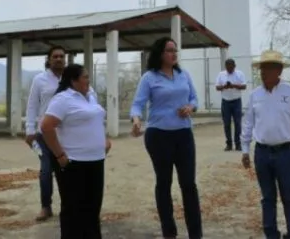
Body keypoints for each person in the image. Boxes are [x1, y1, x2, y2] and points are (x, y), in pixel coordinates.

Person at [129, 36, 203, 239]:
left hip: (184, 135)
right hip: (159, 136)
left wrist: (190, 107)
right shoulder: (149, 78)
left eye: (176, 50)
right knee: (164, 183)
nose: (174, 54)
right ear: (160, 54)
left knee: (189, 184)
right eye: (170, 50)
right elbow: (137, 104)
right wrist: (136, 119)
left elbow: (195, 99)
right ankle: (169, 232)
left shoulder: (183, 75)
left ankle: (196, 233)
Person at [240, 49, 290, 239]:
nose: (263, 72)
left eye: (268, 68)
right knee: (267, 197)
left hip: (284, 153)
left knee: (288, 195)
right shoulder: (255, 95)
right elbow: (248, 124)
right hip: (262, 153)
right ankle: (270, 232)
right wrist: (245, 150)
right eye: (261, 68)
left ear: (279, 70)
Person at [40, 63, 111, 239]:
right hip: (74, 163)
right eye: (85, 77)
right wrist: (60, 155)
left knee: (93, 209)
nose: (88, 80)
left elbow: (96, 119)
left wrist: (104, 139)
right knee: (73, 211)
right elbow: (47, 127)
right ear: (73, 80)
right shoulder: (63, 99)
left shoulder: (90, 96)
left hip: (96, 160)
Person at [24, 45, 66, 221]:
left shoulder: (70, 78)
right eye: (55, 56)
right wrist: (30, 129)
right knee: (46, 171)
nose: (58, 59)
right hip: (44, 133)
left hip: (65, 133)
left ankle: (68, 207)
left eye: (61, 56)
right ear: (48, 60)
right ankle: (45, 206)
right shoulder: (40, 80)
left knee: (66, 172)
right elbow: (32, 105)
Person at [215, 58, 246, 151]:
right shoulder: (221, 74)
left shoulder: (240, 74)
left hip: (236, 101)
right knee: (226, 123)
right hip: (225, 102)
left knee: (237, 123)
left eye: (231, 67)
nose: (229, 69)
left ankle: (238, 144)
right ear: (225, 67)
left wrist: (233, 85)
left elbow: (244, 86)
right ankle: (229, 144)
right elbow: (217, 87)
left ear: (234, 66)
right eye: (228, 67)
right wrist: (224, 86)